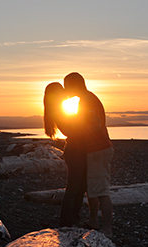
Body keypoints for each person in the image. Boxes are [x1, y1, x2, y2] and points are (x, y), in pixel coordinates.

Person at [63, 72, 114, 238]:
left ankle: (108, 228)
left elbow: (95, 125)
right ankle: (93, 220)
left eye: (66, 86)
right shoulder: (85, 100)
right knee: (92, 188)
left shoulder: (88, 101)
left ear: (74, 85)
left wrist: (78, 129)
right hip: (93, 150)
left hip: (98, 150)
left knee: (101, 190)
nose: (65, 90)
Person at [43, 82, 87, 227]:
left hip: (76, 150)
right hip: (76, 151)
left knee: (79, 186)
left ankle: (73, 218)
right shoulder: (59, 112)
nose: (65, 92)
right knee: (74, 187)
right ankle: (68, 220)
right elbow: (73, 130)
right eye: (61, 90)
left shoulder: (59, 110)